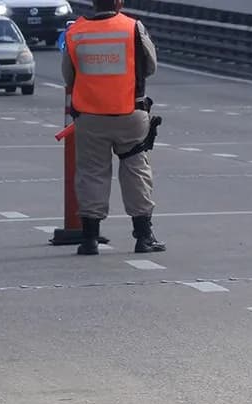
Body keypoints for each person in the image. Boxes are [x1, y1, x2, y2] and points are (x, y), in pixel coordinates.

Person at [62, 0, 166, 256]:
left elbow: (68, 76)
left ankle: (89, 239)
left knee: (91, 173)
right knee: (136, 171)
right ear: (119, 3)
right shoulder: (133, 27)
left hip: (90, 117)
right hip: (130, 113)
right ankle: (143, 236)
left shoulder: (76, 32)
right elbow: (150, 67)